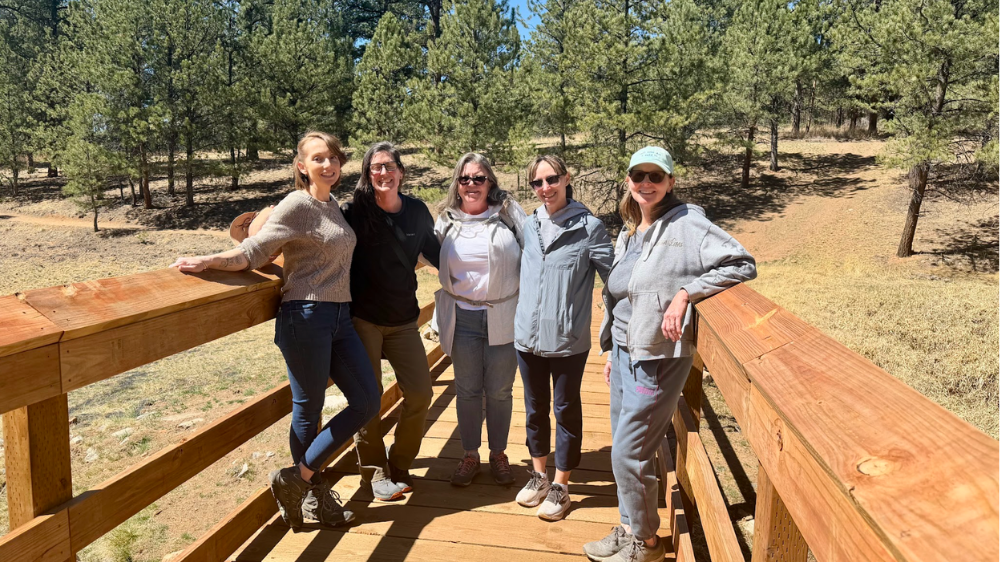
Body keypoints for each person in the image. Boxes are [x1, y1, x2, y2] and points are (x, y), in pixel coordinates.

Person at [170, 131, 379, 530]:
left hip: (339, 317)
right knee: (309, 410)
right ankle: (316, 499)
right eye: (318, 158)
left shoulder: (333, 205)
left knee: (367, 401)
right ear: (302, 166)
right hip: (305, 316)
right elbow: (256, 249)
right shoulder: (297, 204)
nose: (328, 164)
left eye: (333, 157)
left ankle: (294, 480)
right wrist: (210, 259)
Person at [584, 146, 756, 562]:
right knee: (626, 449)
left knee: (630, 451)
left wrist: (686, 294)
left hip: (658, 358)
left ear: (670, 182)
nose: (646, 183)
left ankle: (647, 544)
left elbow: (742, 263)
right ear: (628, 181)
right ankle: (629, 529)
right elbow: (621, 297)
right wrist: (612, 350)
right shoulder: (631, 230)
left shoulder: (687, 224)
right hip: (626, 352)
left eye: (655, 176)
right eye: (638, 175)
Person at [513, 155, 614, 521]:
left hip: (568, 341)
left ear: (566, 178)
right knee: (534, 409)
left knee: (566, 411)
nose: (545, 189)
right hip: (527, 338)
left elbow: (613, 286)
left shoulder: (590, 228)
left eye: (551, 179)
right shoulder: (528, 225)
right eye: (537, 183)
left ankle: (562, 486)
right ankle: (539, 475)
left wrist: (611, 340)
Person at [341, 142, 441, 501]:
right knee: (368, 399)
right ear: (368, 174)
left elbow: (438, 254)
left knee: (420, 392)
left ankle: (399, 461)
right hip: (363, 320)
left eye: (389, 166)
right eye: (375, 168)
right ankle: (375, 471)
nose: (383, 173)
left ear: (400, 171)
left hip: (402, 320)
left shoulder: (415, 210)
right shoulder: (354, 212)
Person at [433, 152, 527, 487]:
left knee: (500, 391)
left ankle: (499, 454)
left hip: (504, 315)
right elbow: (420, 255)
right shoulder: (446, 220)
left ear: (490, 183)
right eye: (465, 178)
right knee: (468, 390)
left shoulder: (507, 214)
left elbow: (535, 251)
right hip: (463, 318)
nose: (471, 184)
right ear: (457, 184)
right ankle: (470, 454)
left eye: (479, 178)